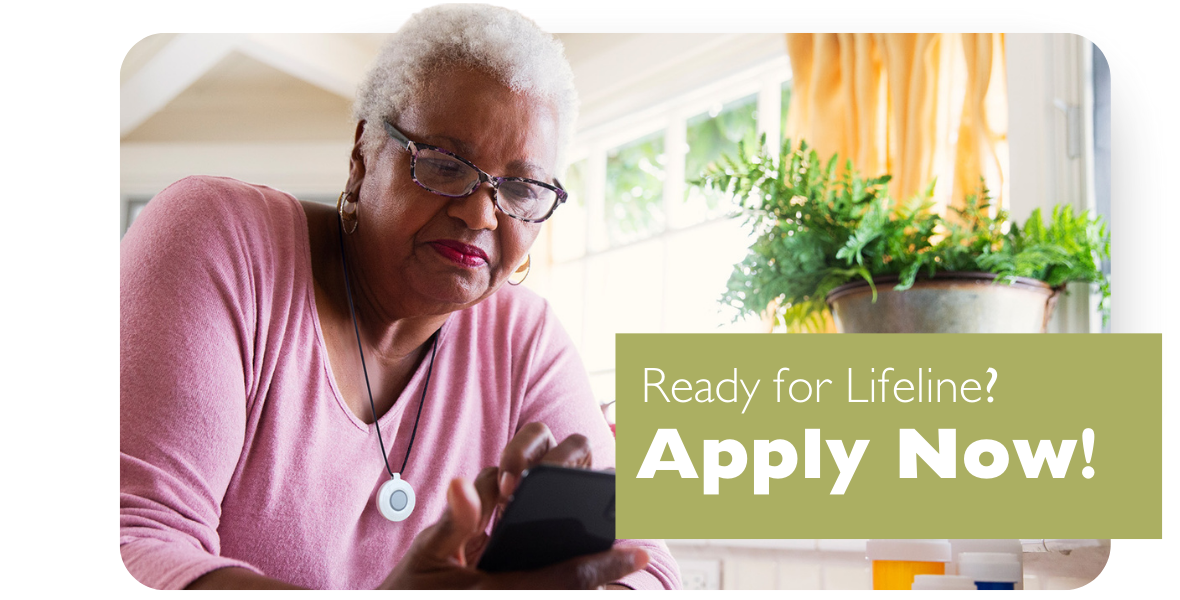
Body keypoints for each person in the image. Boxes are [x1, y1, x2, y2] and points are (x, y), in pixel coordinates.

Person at [119, 7, 680, 591]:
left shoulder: (523, 337)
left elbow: (649, 564)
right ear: (362, 154)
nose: (480, 212)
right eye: (442, 164)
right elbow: (138, 542)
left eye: (518, 187)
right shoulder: (216, 238)